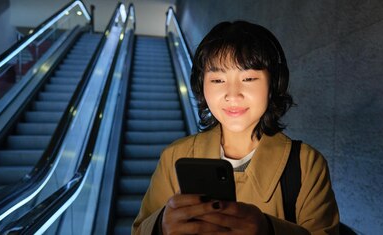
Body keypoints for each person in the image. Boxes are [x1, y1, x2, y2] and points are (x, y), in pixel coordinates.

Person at [133, 20, 340, 235]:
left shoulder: (306, 163)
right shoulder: (174, 157)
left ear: (274, 84)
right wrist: (160, 226)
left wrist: (269, 230)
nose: (233, 94)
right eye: (218, 80)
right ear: (201, 86)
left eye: (248, 78)